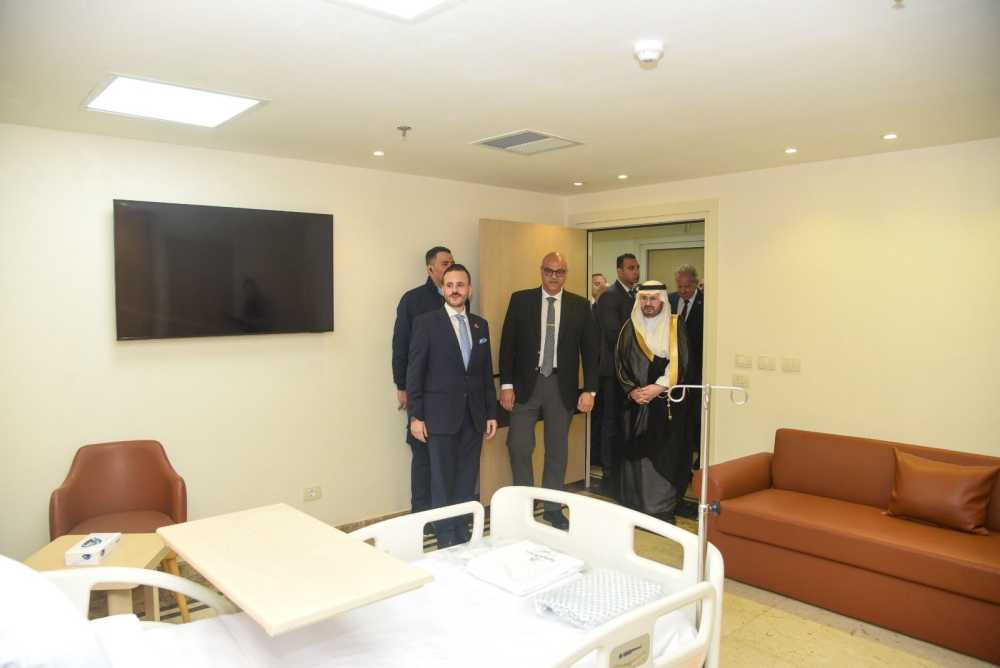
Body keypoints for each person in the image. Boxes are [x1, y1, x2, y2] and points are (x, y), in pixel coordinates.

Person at [499, 252, 599, 529]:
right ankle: (524, 504)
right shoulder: (521, 300)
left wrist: (590, 390)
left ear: (566, 274)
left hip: (560, 386)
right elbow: (507, 345)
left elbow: (591, 352)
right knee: (519, 445)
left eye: (560, 271)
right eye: (549, 271)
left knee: (557, 450)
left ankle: (553, 509)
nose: (554, 276)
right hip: (525, 385)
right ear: (541, 271)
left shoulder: (580, 306)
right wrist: (506, 384)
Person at [406, 264, 497, 547]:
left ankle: (461, 531)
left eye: (460, 285)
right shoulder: (426, 323)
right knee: (442, 481)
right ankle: (445, 537)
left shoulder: (480, 325)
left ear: (469, 289)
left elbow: (484, 373)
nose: (455, 290)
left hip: (474, 417)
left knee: (466, 479)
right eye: (449, 285)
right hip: (439, 418)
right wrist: (416, 416)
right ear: (442, 289)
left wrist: (491, 413)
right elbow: (414, 373)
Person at [614, 281, 691, 523]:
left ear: (662, 300)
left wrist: (658, 387)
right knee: (635, 455)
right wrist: (632, 390)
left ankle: (659, 508)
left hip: (665, 402)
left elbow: (682, 361)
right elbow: (619, 363)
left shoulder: (675, 325)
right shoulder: (629, 327)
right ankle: (635, 505)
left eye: (653, 299)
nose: (648, 304)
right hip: (635, 403)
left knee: (662, 454)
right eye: (644, 299)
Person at [391, 246, 454, 515]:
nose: (450, 267)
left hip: (451, 394)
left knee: (447, 457)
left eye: (452, 262)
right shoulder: (413, 300)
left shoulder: (458, 298)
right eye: (445, 263)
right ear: (430, 269)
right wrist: (402, 386)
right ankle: (420, 514)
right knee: (423, 455)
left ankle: (445, 514)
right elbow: (400, 345)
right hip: (422, 391)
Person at [594, 253, 640, 495]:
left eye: (637, 267)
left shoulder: (636, 295)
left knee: (626, 421)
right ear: (619, 270)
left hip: (631, 371)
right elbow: (615, 334)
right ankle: (609, 472)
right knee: (611, 422)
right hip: (613, 371)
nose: (635, 271)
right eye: (631, 268)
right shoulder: (610, 296)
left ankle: (624, 469)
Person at [668, 264, 704, 518]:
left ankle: (695, 466)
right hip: (674, 375)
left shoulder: (705, 303)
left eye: (687, 287)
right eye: (680, 286)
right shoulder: (670, 301)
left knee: (695, 422)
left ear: (695, 283)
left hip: (697, 374)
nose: (683, 291)